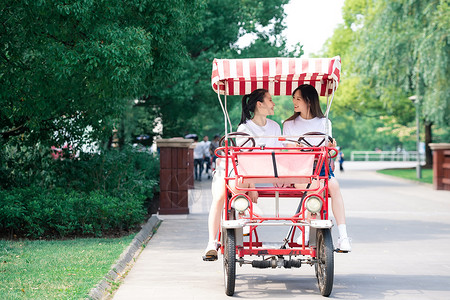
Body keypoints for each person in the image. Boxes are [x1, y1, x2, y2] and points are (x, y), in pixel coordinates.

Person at [204, 89, 282, 260]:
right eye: (270, 100)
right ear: (259, 104)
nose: (273, 103)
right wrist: (252, 185)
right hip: (242, 172)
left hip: (263, 174)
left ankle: (246, 210)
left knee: (238, 184)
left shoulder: (275, 127)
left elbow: (278, 155)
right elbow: (245, 160)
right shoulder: (244, 128)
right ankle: (212, 242)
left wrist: (280, 177)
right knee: (221, 195)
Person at [283, 84, 351, 252]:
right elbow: (289, 150)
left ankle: (343, 236)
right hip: (299, 168)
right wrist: (301, 150)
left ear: (308, 101)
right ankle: (306, 228)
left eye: (298, 99)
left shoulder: (324, 122)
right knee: (317, 186)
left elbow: (328, 151)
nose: (294, 102)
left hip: (319, 167)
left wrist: (330, 147)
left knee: (334, 185)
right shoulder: (289, 124)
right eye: (293, 98)